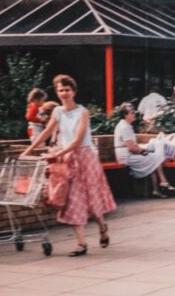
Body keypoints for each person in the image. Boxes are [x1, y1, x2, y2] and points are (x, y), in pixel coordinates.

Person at [24, 73, 114, 256]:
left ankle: (102, 227)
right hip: (68, 159)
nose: (64, 93)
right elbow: (46, 132)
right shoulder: (57, 112)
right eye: (60, 90)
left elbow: (77, 140)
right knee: (73, 199)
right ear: (57, 93)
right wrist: (29, 150)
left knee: (92, 198)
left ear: (74, 91)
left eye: (67, 90)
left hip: (85, 158)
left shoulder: (83, 112)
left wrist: (57, 153)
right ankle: (81, 244)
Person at [112, 102, 175, 197]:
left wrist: (145, 151)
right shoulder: (125, 127)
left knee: (153, 160)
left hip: (127, 154)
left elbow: (133, 146)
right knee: (154, 158)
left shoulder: (124, 125)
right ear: (125, 115)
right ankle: (163, 182)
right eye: (132, 112)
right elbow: (132, 148)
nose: (134, 114)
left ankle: (157, 188)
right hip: (126, 157)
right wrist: (145, 152)